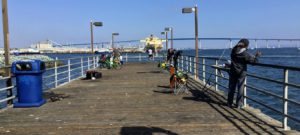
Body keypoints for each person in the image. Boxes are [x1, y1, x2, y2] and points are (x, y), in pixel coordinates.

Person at [227, 39, 261, 108]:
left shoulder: (233, 51)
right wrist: (257, 56)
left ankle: (229, 102)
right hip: (241, 73)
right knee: (240, 88)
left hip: (233, 71)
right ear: (246, 45)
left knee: (231, 87)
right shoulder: (245, 54)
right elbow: (254, 62)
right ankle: (239, 104)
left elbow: (236, 51)